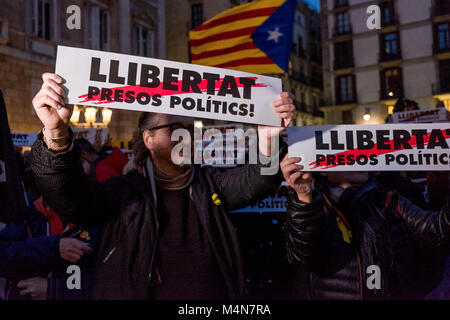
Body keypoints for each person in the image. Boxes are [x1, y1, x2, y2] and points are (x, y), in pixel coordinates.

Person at [30, 72, 294, 300]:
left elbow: (259, 179)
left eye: (191, 128)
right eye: (175, 128)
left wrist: (268, 139)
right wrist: (56, 134)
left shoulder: (212, 185)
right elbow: (68, 196)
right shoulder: (124, 194)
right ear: (149, 139)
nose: (186, 136)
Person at [280, 155, 450, 300]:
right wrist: (303, 196)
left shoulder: (391, 201)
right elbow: (300, 255)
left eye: (361, 154)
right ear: (323, 169)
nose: (357, 159)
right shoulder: (313, 207)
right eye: (346, 155)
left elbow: (438, 231)